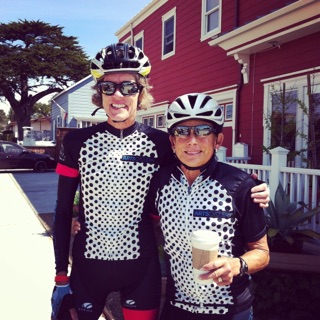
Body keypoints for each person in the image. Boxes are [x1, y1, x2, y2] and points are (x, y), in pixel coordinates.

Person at [52, 43, 270, 320]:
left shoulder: (161, 143)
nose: (118, 95)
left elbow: (200, 165)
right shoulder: (76, 142)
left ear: (141, 92)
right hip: (87, 268)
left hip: (141, 270)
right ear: (99, 93)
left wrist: (254, 185)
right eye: (108, 87)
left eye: (129, 87)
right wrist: (60, 274)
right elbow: (61, 209)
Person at [143, 93, 270, 320]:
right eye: (182, 132)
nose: (192, 140)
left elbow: (262, 253)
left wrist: (236, 264)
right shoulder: (159, 182)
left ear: (218, 140)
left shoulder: (241, 185)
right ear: (172, 142)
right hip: (176, 308)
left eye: (202, 131)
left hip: (229, 310)